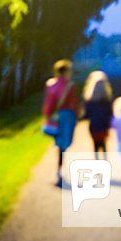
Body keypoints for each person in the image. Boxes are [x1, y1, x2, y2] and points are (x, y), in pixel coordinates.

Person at [42, 59, 79, 187]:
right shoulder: (70, 85)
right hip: (67, 116)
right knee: (64, 145)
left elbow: (48, 102)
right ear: (66, 71)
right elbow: (74, 103)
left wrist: (47, 116)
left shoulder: (51, 84)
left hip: (55, 117)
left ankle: (58, 170)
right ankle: (59, 170)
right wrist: (77, 117)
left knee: (59, 145)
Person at [83, 70, 113, 158]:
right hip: (104, 126)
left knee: (95, 144)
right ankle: (105, 159)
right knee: (103, 143)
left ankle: (97, 160)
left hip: (94, 126)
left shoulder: (89, 101)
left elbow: (87, 115)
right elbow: (110, 114)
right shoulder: (107, 100)